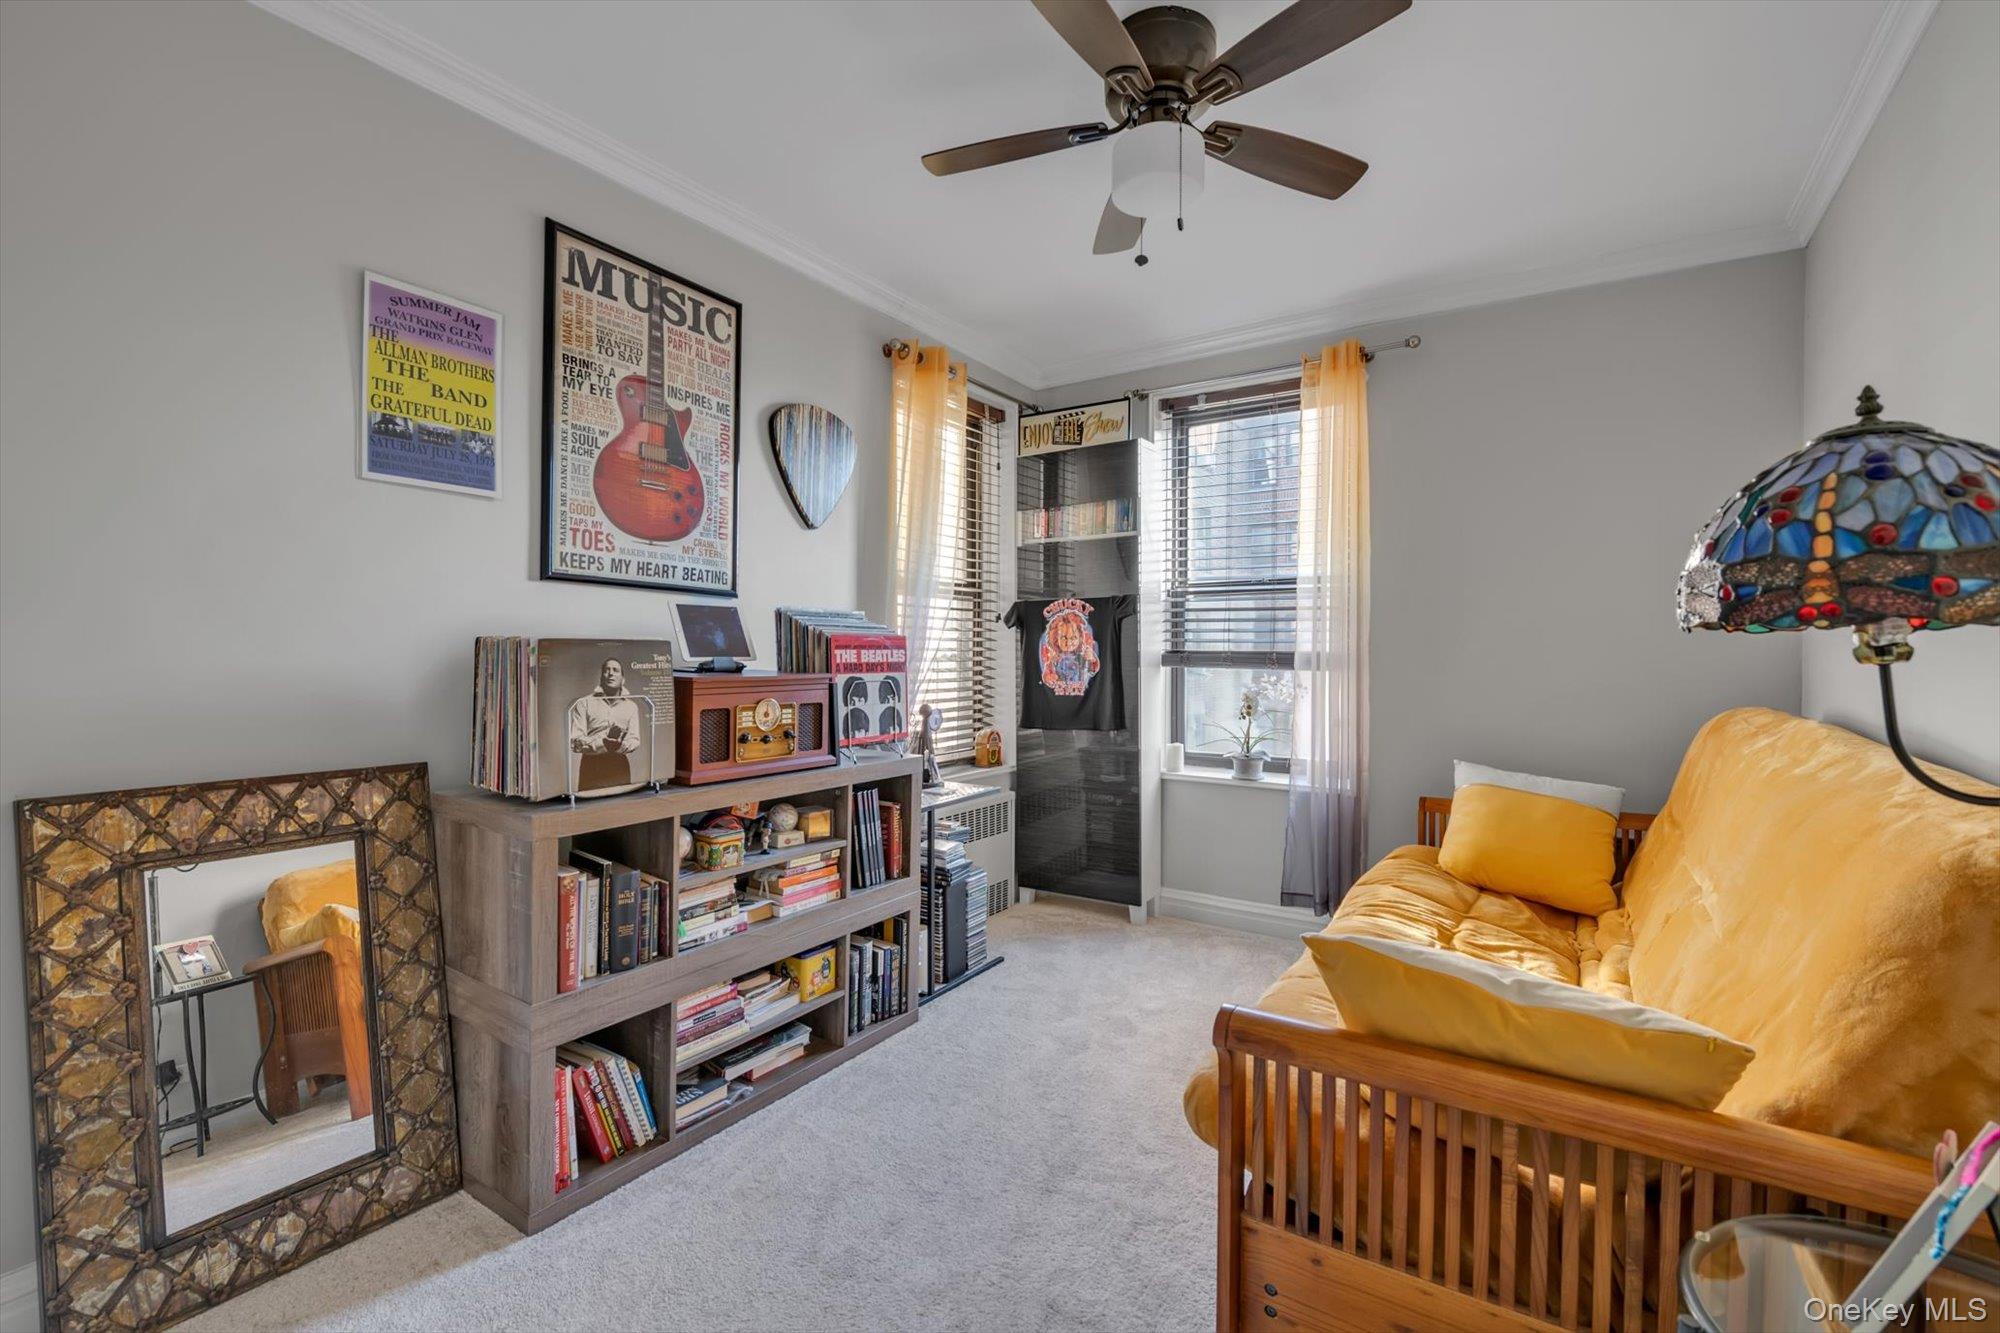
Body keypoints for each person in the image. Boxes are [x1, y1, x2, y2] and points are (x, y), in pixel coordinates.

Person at [570, 659, 642, 790]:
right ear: (601, 677)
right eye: (606, 670)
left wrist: (618, 745)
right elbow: (575, 742)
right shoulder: (583, 703)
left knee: (621, 806)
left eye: (615, 670)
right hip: (592, 765)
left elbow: (635, 740)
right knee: (590, 808)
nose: (610, 674)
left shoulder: (632, 706)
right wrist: (603, 743)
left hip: (619, 765)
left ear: (623, 679)